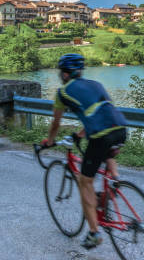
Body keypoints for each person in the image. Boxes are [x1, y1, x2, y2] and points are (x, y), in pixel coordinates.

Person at [43, 53, 127, 250]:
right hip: (120, 130)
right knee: (111, 174)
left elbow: (56, 122)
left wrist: (50, 141)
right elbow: (101, 111)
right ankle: (110, 190)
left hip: (100, 136)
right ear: (80, 71)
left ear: (64, 74)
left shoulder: (63, 92)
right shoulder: (96, 84)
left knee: (85, 181)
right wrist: (80, 134)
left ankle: (94, 233)